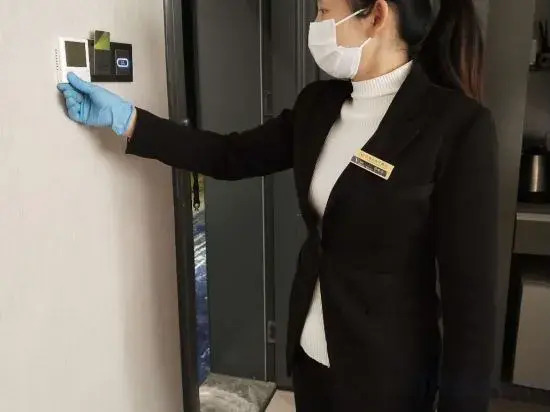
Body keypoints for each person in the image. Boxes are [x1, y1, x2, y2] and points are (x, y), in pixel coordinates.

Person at [57, 0, 497, 411]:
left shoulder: (456, 127)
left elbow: (470, 303)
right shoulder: (319, 105)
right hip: (310, 359)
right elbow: (228, 156)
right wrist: (129, 120)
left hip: (387, 376)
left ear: (377, 16)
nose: (317, 24)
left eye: (325, 10)